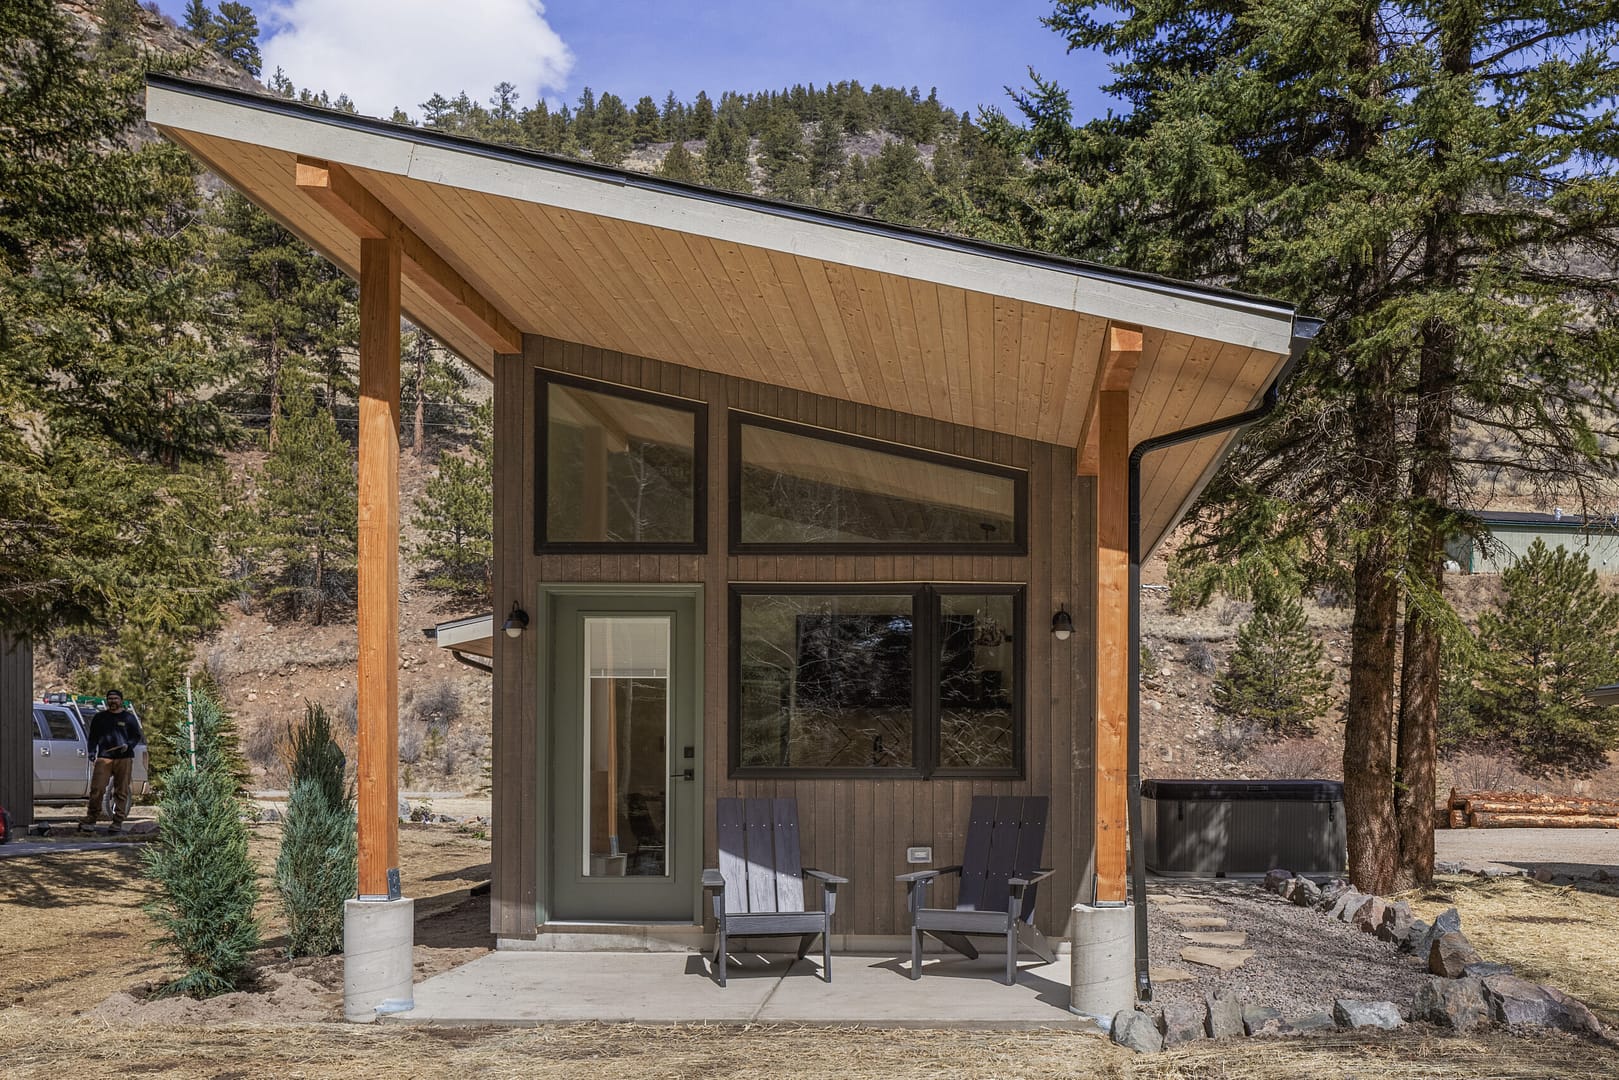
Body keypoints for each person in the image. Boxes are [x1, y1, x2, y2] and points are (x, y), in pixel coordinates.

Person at [80, 690, 143, 830]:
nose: (112, 701)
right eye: (110, 698)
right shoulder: (100, 717)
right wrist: (91, 752)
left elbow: (136, 736)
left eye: (115, 698)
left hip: (124, 758)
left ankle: (117, 821)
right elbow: (93, 737)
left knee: (121, 790)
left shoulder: (129, 718)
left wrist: (128, 745)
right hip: (104, 757)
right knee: (97, 788)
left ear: (121, 700)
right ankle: (91, 817)